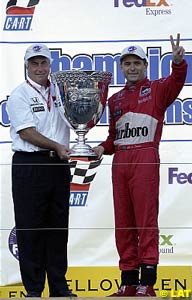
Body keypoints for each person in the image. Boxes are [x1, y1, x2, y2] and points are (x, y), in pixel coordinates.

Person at [93, 34, 187, 297]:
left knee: (146, 222)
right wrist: (102, 147)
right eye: (127, 63)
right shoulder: (114, 100)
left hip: (145, 157)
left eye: (137, 63)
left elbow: (177, 81)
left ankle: (147, 283)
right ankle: (128, 282)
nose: (132, 67)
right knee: (123, 224)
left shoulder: (157, 89)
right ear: (121, 68)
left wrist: (178, 63)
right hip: (120, 160)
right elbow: (113, 137)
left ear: (146, 66)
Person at [6, 43, 77, 298]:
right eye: (34, 63)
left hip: (58, 166)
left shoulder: (62, 92)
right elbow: (26, 132)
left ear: (50, 65)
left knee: (58, 228)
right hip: (30, 164)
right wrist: (58, 146)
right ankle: (34, 290)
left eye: (43, 63)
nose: (39, 68)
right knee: (30, 228)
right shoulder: (19, 95)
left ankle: (59, 287)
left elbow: (77, 117)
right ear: (26, 66)